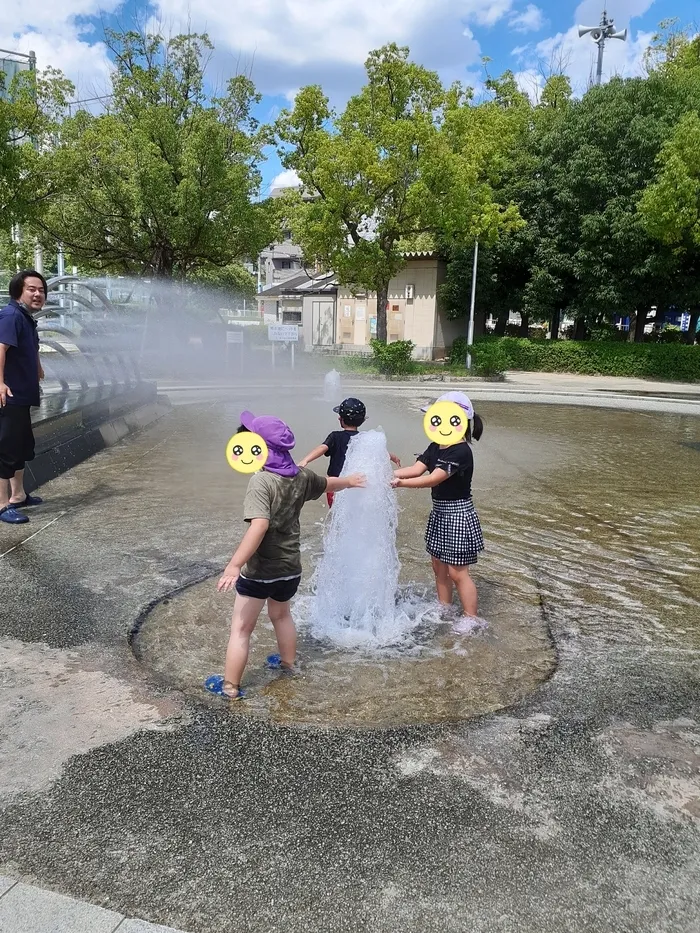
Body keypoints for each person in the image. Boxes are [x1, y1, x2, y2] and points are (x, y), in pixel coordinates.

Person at [206, 411, 365, 700]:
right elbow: (327, 482)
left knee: (241, 629)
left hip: (260, 571)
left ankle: (230, 687)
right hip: (291, 567)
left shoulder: (261, 482)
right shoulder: (301, 477)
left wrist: (234, 565)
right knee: (282, 615)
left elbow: (260, 525)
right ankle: (289, 665)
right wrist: (350, 481)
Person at [392, 391, 484, 631]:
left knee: (457, 572)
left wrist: (398, 484)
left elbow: (434, 479)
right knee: (438, 565)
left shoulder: (460, 451)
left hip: (458, 514)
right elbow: (415, 470)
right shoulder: (436, 446)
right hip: (440, 513)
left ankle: (471, 619)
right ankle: (445, 607)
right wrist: (386, 474)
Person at [0, 270, 47, 525]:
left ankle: (18, 495)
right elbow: (0, 348)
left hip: (22, 395)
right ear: (18, 290)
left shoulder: (25, 318)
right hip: (9, 396)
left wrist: (37, 367)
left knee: (20, 446)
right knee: (6, 448)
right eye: (32, 289)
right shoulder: (10, 316)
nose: (38, 293)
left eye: (41, 290)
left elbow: (32, 347)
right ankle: (2, 504)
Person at [299, 397, 400, 508]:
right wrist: (392, 457)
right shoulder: (363, 438)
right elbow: (376, 452)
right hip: (356, 482)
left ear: (340, 419)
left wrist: (305, 460)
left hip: (336, 484)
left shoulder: (335, 436)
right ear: (362, 420)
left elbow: (322, 448)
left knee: (337, 512)